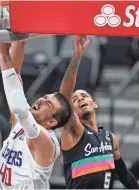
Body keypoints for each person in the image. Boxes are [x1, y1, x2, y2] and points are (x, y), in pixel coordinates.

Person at [58, 35, 139, 189]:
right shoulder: (73, 132)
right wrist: (76, 58)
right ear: (70, 109)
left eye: (84, 96)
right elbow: (64, 96)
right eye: (75, 99)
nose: (80, 98)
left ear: (94, 104)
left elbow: (123, 174)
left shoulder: (110, 138)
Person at [0, 42, 72, 189]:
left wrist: (3, 54)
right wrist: (20, 40)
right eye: (45, 96)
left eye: (48, 104)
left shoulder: (47, 142)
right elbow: (14, 76)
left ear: (52, 122)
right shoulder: (20, 124)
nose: (41, 100)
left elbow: (18, 106)